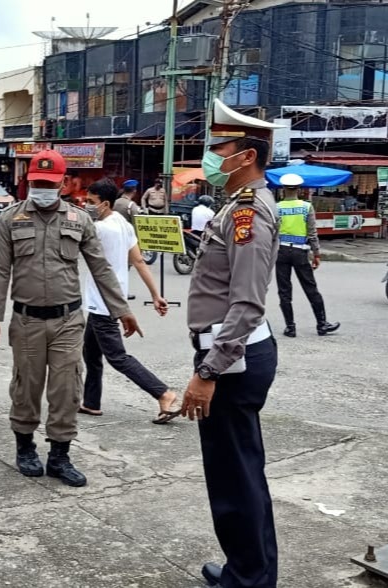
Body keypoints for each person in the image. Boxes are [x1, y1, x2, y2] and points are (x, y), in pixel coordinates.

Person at [0, 149, 141, 488]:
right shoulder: (10, 219)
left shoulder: (80, 219)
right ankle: (25, 448)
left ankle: (59, 456)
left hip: (68, 319)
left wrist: (122, 310)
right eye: (37, 183)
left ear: (63, 184)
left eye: (49, 183)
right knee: (26, 386)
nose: (43, 188)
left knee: (67, 388)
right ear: (29, 182)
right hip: (26, 319)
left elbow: (100, 266)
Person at [183, 98, 282, 588]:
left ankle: (248, 580)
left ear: (245, 156)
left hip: (232, 359)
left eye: (217, 148)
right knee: (238, 471)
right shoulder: (239, 207)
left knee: (234, 477)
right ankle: (250, 569)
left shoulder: (248, 214)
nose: (210, 157)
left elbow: (246, 305)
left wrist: (207, 372)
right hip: (233, 355)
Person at [80, 178, 180, 424]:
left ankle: (163, 393)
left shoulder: (100, 229)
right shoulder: (123, 224)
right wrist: (156, 295)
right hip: (106, 300)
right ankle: (91, 403)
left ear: (104, 203)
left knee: (117, 357)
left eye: (90, 202)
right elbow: (138, 261)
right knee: (90, 352)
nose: (86, 205)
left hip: (104, 301)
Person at [276, 173, 340, 338]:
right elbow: (312, 233)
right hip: (300, 252)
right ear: (299, 189)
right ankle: (322, 324)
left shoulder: (276, 208)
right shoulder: (306, 207)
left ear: (283, 189)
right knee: (310, 288)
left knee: (284, 291)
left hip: (281, 252)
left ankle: (290, 327)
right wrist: (317, 254)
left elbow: (271, 232)